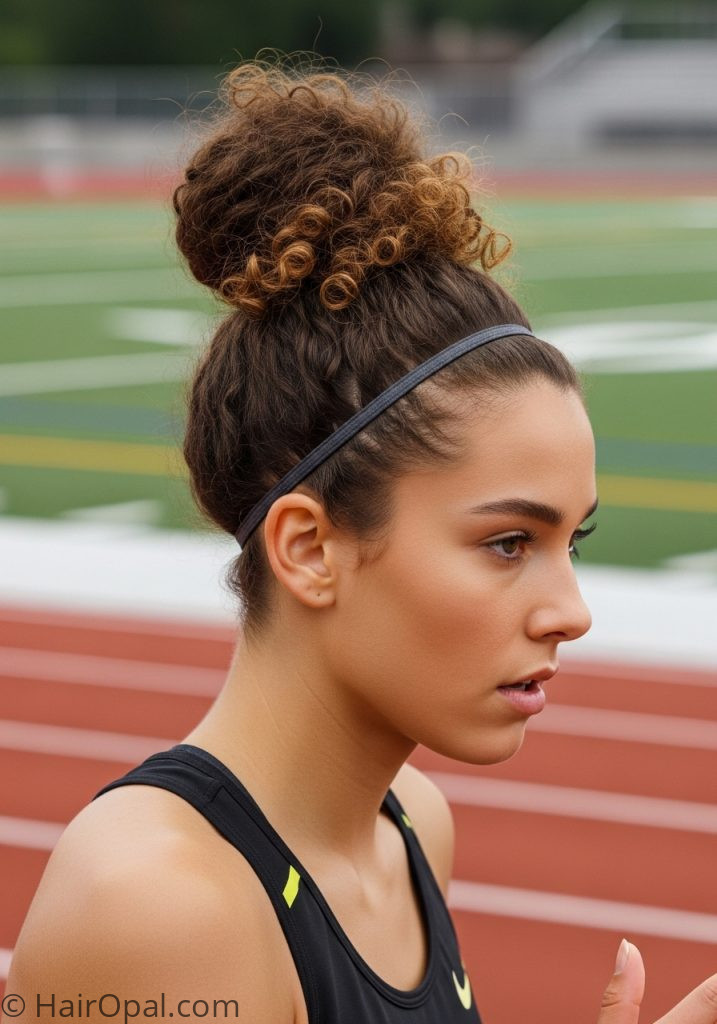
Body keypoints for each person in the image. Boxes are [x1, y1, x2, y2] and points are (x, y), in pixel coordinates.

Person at [4, 62, 716, 1024]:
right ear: (308, 549)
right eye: (508, 543)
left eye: (570, 542)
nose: (572, 613)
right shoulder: (159, 907)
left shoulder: (413, 824)